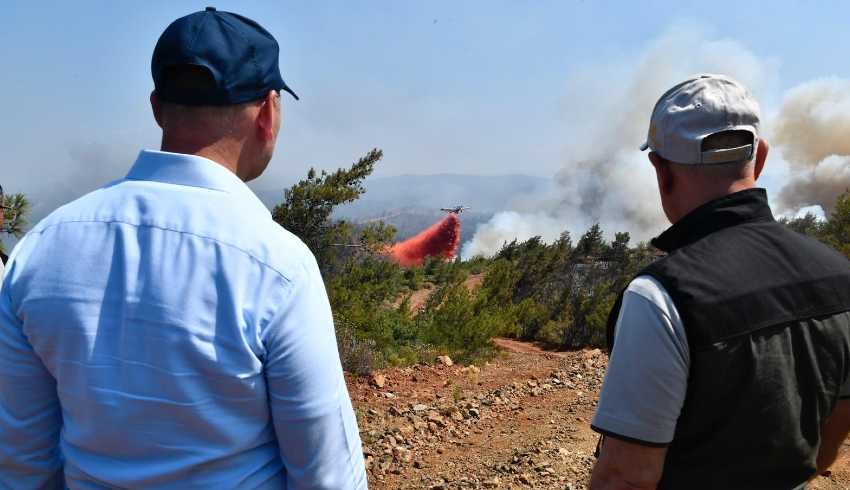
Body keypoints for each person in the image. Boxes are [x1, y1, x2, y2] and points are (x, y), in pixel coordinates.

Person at [0, 8, 366, 489]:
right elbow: (327, 476)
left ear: (157, 107)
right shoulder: (278, 267)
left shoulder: (37, 252)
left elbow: (22, 462)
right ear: (268, 113)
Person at [589, 74, 850, 489]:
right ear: (759, 157)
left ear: (662, 171)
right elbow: (832, 437)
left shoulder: (661, 297)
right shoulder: (840, 275)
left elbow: (625, 476)